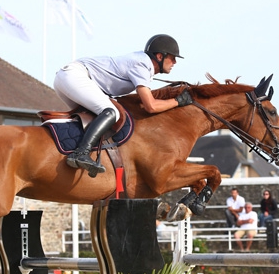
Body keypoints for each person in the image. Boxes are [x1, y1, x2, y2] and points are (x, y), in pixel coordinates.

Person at [53, 34, 191, 176]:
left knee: (93, 118)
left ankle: (72, 151)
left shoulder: (143, 64)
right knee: (111, 112)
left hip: (68, 78)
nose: (174, 62)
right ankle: (81, 153)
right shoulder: (143, 65)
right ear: (160, 56)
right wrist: (178, 102)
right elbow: (151, 106)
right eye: (172, 57)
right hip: (75, 76)